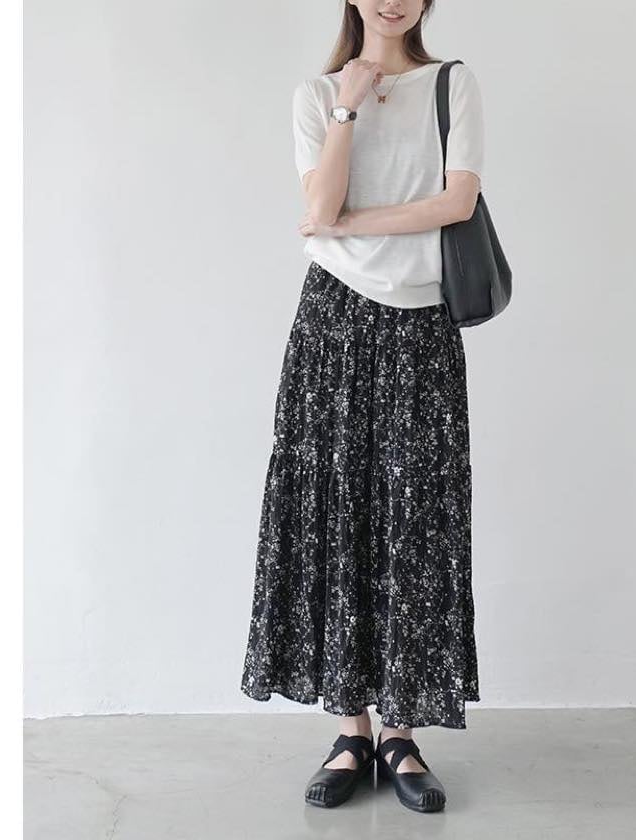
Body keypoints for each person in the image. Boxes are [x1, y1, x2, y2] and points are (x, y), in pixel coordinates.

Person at [240, 0, 484, 813]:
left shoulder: (452, 85)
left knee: (416, 522)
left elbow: (456, 202)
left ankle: (401, 735)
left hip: (421, 323)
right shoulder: (316, 96)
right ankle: (351, 730)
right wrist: (348, 105)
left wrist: (348, 223)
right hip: (333, 321)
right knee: (335, 514)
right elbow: (318, 205)